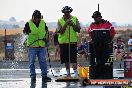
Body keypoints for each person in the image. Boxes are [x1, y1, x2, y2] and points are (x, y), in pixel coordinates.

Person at [23, 10, 51, 82]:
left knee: (43, 61)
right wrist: (26, 32)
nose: (37, 19)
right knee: (31, 62)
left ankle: (44, 76)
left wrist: (47, 39)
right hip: (32, 47)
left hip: (41, 46)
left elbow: (47, 31)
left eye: (38, 18)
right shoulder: (28, 24)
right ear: (33, 17)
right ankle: (33, 76)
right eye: (36, 18)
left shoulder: (43, 22)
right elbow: (24, 32)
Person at [87, 11, 116, 79]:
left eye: (96, 17)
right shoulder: (92, 25)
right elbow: (90, 33)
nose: (95, 19)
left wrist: (109, 41)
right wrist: (93, 40)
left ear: (100, 17)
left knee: (103, 60)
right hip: (96, 46)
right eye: (94, 18)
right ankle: (100, 76)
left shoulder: (107, 24)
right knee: (98, 60)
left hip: (105, 46)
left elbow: (113, 33)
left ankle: (94, 74)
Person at [57, 6, 81, 77]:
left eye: (68, 12)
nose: (67, 14)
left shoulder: (74, 19)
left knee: (73, 59)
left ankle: (76, 73)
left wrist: (72, 24)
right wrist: (66, 24)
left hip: (72, 42)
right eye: (65, 13)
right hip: (63, 42)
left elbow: (78, 29)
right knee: (66, 59)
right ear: (63, 13)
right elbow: (60, 31)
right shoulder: (59, 20)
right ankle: (68, 73)